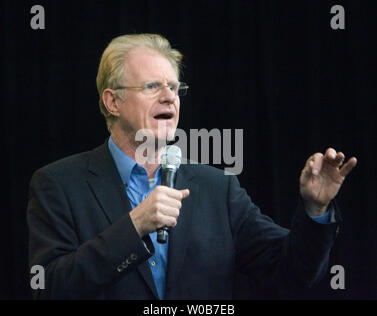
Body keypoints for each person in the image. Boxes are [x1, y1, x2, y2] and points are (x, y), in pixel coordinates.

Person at [27, 33, 357, 299]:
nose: (170, 97)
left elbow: (291, 273)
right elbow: (48, 287)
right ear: (113, 101)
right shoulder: (59, 184)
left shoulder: (217, 187)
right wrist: (134, 226)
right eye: (152, 86)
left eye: (174, 87)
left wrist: (316, 209)